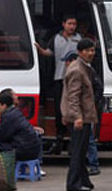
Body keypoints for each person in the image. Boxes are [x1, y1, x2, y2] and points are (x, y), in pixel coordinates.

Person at [35, 14, 82, 145]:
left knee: (73, 106)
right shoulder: (56, 38)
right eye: (70, 24)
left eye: (74, 24)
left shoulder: (79, 39)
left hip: (75, 79)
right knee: (58, 108)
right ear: (63, 24)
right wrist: (39, 50)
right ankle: (59, 135)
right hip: (59, 78)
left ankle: (73, 135)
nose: (72, 27)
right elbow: (49, 53)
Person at [61, 38, 97, 191]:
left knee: (82, 151)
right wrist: (77, 117)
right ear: (79, 52)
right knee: (78, 151)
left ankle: (84, 180)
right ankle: (73, 183)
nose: (91, 53)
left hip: (85, 115)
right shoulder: (77, 70)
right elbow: (73, 96)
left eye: (92, 50)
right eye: (87, 50)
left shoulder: (84, 67)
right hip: (80, 117)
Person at [0, 91, 41, 161]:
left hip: (24, 151)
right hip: (31, 149)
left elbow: (1, 135)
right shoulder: (15, 112)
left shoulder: (9, 117)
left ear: (4, 105)